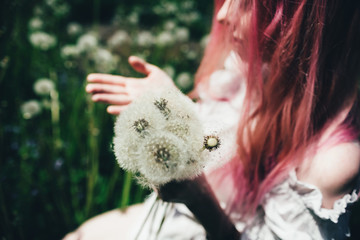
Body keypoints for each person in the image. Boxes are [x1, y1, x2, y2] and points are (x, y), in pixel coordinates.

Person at [64, 0, 360, 239]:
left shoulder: (330, 162)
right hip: (182, 221)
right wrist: (173, 106)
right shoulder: (253, 75)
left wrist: (199, 199)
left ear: (303, 23)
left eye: (248, 4)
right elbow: (212, 145)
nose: (223, 14)